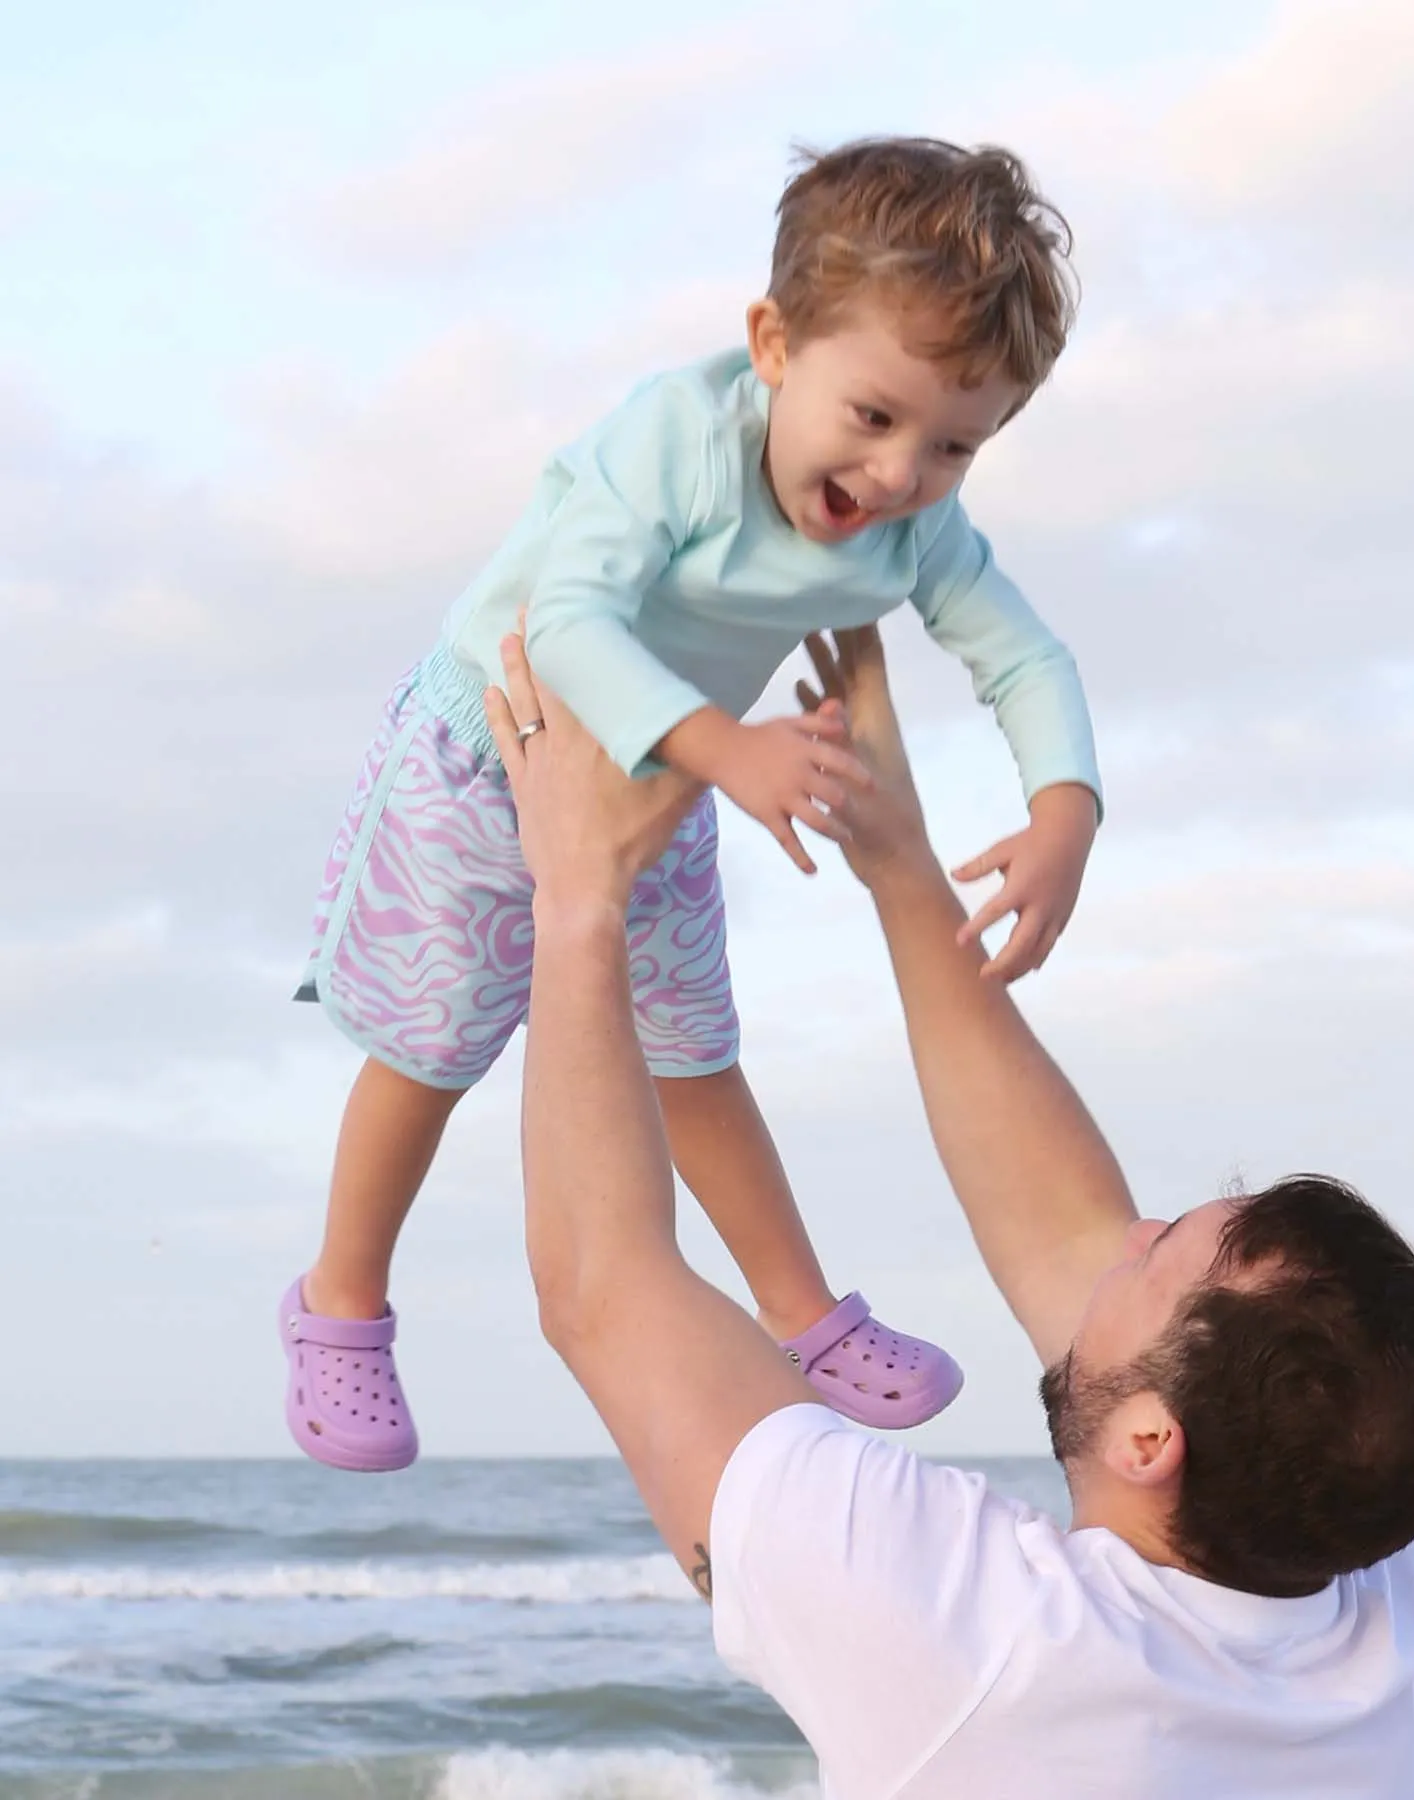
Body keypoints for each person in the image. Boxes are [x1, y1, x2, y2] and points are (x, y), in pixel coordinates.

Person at [486, 621, 1414, 1799]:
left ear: (1152, 1442)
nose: (1123, 1235)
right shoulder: (1365, 1606)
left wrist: (578, 893)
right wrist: (901, 858)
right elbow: (1067, 1234)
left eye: (1158, 1252)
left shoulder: (979, 1636)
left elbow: (606, 1290)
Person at [280, 138, 1105, 1470]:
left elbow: (1024, 656)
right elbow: (569, 618)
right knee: (434, 1051)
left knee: (694, 1056)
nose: (901, 477)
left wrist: (1066, 806)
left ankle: (804, 1319)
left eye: (956, 444)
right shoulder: (670, 444)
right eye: (876, 419)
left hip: (669, 781)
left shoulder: (914, 528)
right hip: (492, 755)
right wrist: (729, 749)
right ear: (774, 346)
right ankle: (338, 1303)